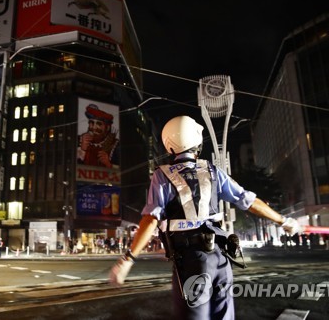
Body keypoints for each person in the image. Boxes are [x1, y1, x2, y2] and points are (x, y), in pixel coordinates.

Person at [108, 115, 301, 319]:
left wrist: (127, 260)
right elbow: (248, 200)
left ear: (169, 145)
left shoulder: (162, 175)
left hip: (191, 261)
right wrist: (283, 221)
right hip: (220, 258)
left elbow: (151, 219)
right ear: (196, 142)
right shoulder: (213, 171)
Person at [77, 104, 119, 168]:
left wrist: (108, 164)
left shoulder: (116, 145)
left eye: (99, 124)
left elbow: (124, 170)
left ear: (107, 127)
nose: (94, 127)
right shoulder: (78, 140)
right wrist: (82, 150)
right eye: (92, 123)